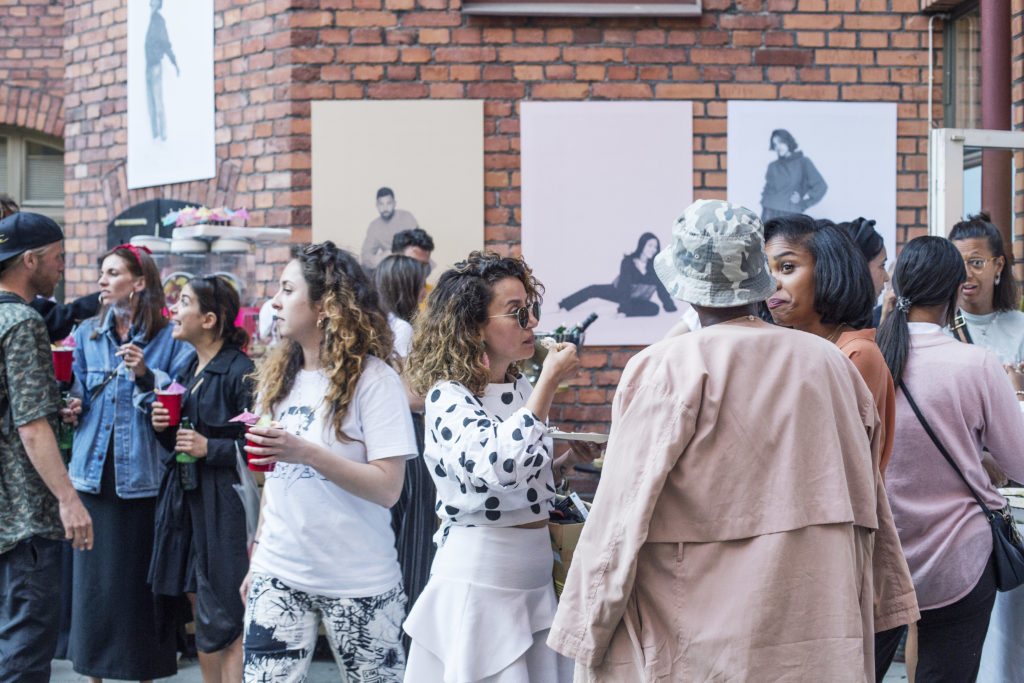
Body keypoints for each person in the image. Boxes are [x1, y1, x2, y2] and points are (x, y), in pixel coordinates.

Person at [549, 199, 891, 681]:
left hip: (699, 633)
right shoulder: (830, 362)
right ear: (760, 279)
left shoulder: (665, 367)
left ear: (685, 290)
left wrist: (585, 628)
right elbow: (870, 495)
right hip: (814, 623)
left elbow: (619, 515)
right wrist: (888, 596)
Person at [402, 250, 598, 682]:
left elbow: (520, 481)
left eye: (531, 308)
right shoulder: (448, 396)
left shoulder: (520, 385)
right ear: (474, 326)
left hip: (533, 574)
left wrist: (564, 461)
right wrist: (549, 381)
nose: (532, 322)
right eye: (517, 313)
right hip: (482, 578)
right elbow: (498, 466)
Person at [241, 242, 416, 682]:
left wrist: (305, 452)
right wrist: (258, 554)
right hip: (278, 571)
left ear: (324, 307)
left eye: (287, 290)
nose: (274, 302)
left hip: (359, 579)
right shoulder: (278, 378)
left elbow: (388, 488)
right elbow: (275, 483)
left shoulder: (375, 380)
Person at [763, 214, 919, 680]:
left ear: (828, 271)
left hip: (836, 553)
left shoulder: (855, 354)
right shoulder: (793, 348)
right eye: (765, 270)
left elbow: (817, 467)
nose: (773, 283)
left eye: (787, 267)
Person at [875, 236, 1024, 683]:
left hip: (881, 557)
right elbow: (1019, 463)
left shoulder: (864, 360)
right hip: (960, 559)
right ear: (956, 289)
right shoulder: (976, 365)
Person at [66, 243, 193, 683]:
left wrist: (145, 375)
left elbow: (179, 400)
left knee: (141, 584)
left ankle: (144, 673)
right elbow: (77, 392)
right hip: (92, 474)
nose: (102, 281)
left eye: (113, 273)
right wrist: (71, 406)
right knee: (95, 588)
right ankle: (93, 676)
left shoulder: (170, 338)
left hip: (143, 476)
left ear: (139, 283)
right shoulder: (87, 334)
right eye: (102, 272)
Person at [0, 212, 92, 683]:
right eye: (58, 257)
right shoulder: (22, 321)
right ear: (30, 260)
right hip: (25, 520)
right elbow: (31, 427)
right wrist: (68, 499)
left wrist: (53, 410)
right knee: (23, 654)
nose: (62, 266)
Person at [149, 275, 255, 683]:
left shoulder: (240, 372)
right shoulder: (186, 367)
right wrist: (161, 426)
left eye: (184, 302)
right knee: (200, 605)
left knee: (230, 613)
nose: (173, 310)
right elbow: (177, 443)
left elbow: (258, 445)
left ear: (209, 319)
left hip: (223, 507)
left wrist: (210, 448)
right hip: (185, 503)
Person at [948, 213, 1024, 369]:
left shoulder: (1020, 327)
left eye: (976, 263)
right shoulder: (940, 326)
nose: (966, 274)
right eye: (958, 264)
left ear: (999, 265)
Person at [558, 232, 678, 317]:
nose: (653, 249)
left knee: (654, 309)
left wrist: (670, 308)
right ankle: (562, 305)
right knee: (593, 289)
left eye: (655, 247)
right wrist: (623, 310)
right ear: (642, 245)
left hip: (636, 299)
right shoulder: (628, 261)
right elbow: (625, 286)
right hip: (620, 292)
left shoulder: (656, 267)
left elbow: (661, 290)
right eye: (650, 245)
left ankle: (617, 309)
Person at [760, 128, 827, 221]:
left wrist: (803, 202)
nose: (778, 147)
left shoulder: (803, 162)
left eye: (780, 142)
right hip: (768, 212)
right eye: (775, 144)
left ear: (788, 142)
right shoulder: (773, 166)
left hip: (789, 213)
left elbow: (821, 186)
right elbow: (768, 190)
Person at [360, 187, 419, 272]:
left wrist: (393, 253)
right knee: (364, 270)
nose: (385, 208)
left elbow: (417, 246)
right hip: (392, 268)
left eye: (389, 203)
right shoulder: (374, 226)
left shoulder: (406, 217)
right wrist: (380, 258)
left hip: (414, 263)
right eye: (381, 204)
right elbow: (365, 256)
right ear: (376, 205)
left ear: (394, 203)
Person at [145, 0, 178, 141]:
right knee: (150, 103)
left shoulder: (158, 21)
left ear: (158, 4)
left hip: (155, 67)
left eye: (153, 3)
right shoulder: (150, 21)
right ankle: (155, 135)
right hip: (148, 66)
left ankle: (163, 136)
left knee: (158, 102)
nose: (150, 5)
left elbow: (166, 44)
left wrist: (174, 62)